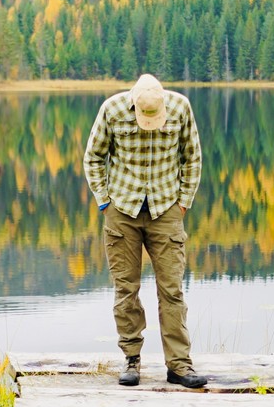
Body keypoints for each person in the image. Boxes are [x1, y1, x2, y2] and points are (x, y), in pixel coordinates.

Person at [83, 74, 207, 388]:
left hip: (166, 208)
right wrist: (104, 201)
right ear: (134, 103)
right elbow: (93, 157)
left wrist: (183, 204)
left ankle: (179, 366)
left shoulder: (181, 108)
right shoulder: (112, 110)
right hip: (122, 210)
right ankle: (131, 361)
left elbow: (192, 158)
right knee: (126, 289)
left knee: (172, 290)